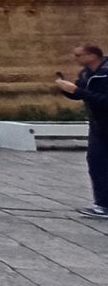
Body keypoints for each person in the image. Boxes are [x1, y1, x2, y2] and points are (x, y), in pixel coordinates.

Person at [57, 43, 108, 219]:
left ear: (93, 56)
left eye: (79, 55)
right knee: (96, 163)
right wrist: (66, 90)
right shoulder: (86, 73)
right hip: (98, 125)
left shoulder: (105, 73)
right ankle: (102, 205)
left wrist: (77, 91)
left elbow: (103, 100)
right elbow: (80, 94)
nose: (76, 58)